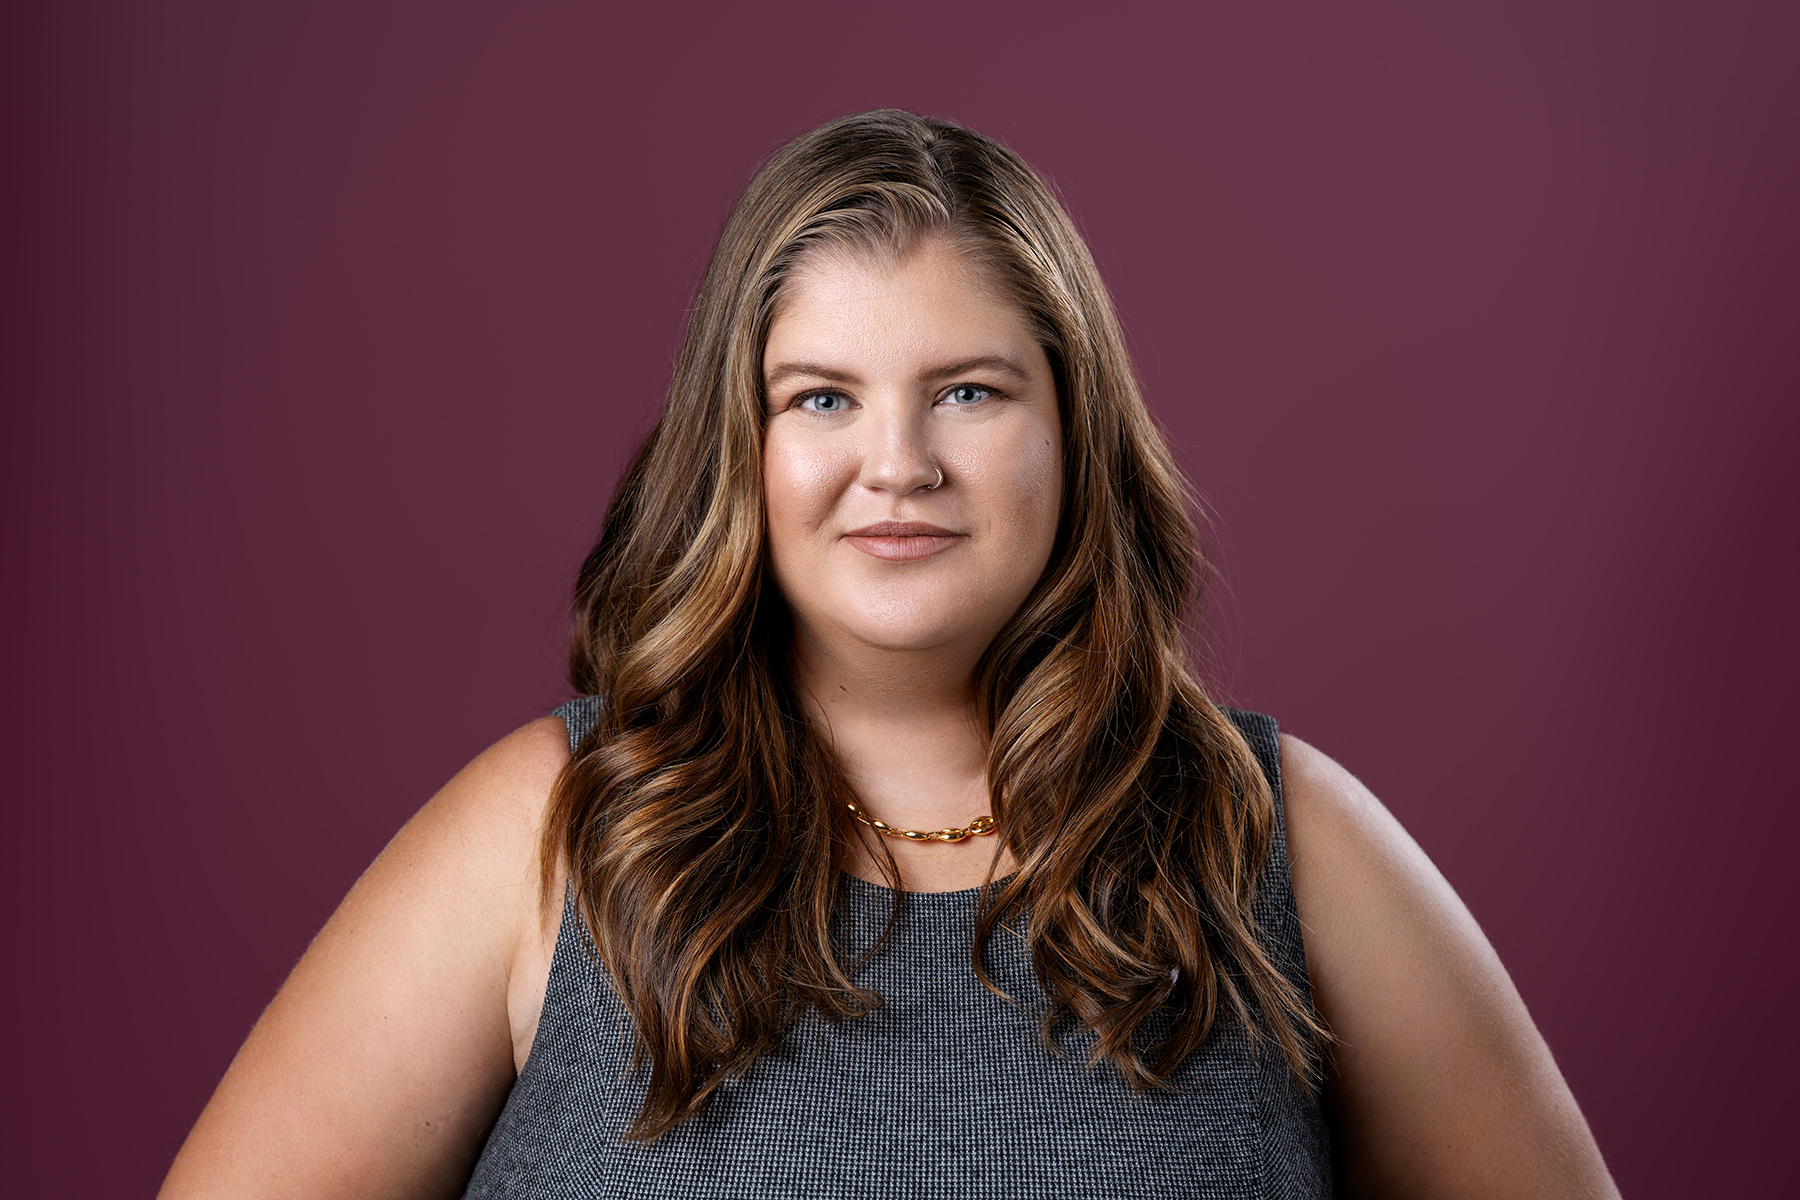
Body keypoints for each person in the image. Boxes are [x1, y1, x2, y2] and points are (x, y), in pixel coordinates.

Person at [160, 110, 1619, 1199]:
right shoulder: (546, 834)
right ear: (742, 446)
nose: (898, 463)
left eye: (970, 391)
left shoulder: (1278, 835)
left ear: (1074, 429)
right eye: (821, 399)